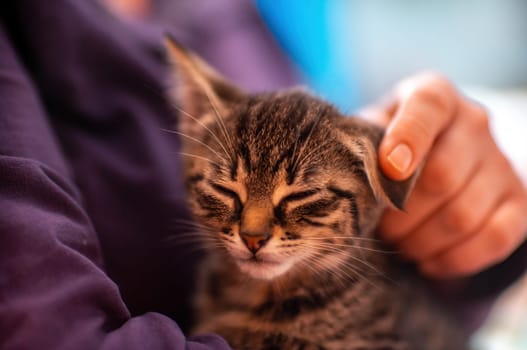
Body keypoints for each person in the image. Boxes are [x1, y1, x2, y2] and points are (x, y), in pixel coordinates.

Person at [0, 1, 525, 349]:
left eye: (297, 200)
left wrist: (462, 234)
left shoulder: (258, 13)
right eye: (225, 191)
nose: (251, 232)